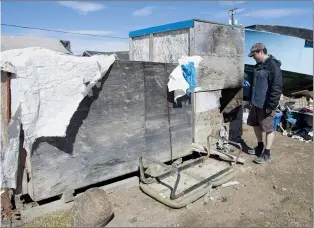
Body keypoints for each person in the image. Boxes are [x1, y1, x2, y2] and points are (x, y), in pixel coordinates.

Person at [246, 43, 283, 164]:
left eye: (254, 54)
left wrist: (271, 105)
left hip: (266, 104)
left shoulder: (273, 65)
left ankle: (267, 153)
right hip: (256, 102)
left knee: (268, 128)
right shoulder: (258, 65)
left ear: (261, 52)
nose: (253, 57)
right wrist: (250, 99)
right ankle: (260, 146)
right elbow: (254, 84)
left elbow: (276, 87)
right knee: (255, 124)